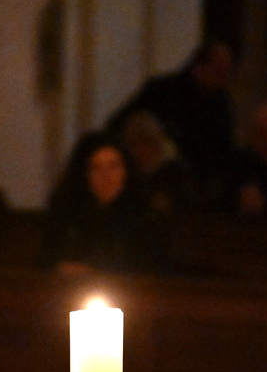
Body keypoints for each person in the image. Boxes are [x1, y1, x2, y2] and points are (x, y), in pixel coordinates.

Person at [106, 42, 235, 200]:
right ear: (198, 69)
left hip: (194, 189)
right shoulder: (162, 92)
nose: (224, 79)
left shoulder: (221, 105)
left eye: (227, 73)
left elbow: (224, 153)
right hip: (148, 183)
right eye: (218, 71)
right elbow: (117, 126)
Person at [40, 132, 167, 273]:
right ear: (83, 174)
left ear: (126, 170)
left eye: (114, 166)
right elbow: (45, 264)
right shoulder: (67, 218)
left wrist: (95, 273)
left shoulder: (145, 221)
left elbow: (153, 273)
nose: (107, 176)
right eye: (96, 168)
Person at [117, 109, 196, 215]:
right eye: (133, 144)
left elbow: (188, 206)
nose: (139, 150)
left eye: (146, 142)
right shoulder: (127, 175)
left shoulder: (176, 173)